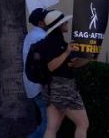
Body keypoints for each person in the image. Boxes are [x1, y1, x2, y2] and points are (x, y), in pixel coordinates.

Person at [27, 9, 90, 138]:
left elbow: (71, 64)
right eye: (64, 22)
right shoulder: (53, 42)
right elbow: (51, 66)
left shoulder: (56, 41)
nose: (67, 23)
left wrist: (87, 56)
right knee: (83, 124)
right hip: (63, 90)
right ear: (60, 25)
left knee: (52, 128)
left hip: (52, 90)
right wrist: (67, 52)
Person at [20, 8, 49, 138]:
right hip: (40, 86)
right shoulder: (40, 37)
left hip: (34, 86)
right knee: (49, 124)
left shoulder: (32, 36)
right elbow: (41, 63)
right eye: (47, 18)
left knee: (47, 122)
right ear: (41, 22)